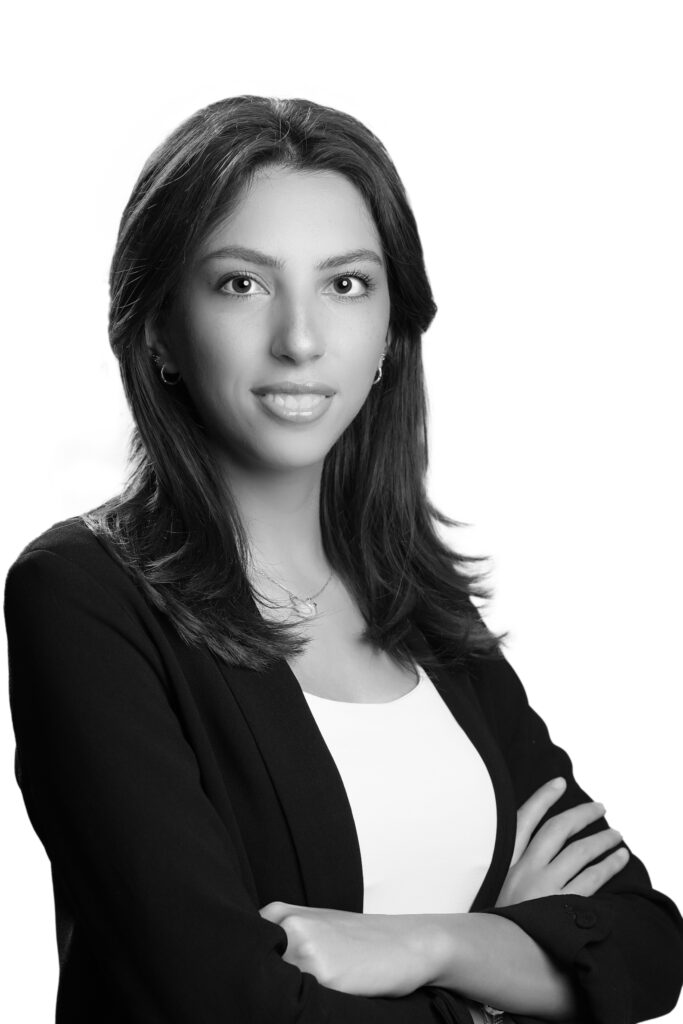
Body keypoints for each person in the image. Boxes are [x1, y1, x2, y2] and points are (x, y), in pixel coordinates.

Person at [4, 95, 682, 1024]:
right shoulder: (82, 598)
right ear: (158, 326)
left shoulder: (417, 606)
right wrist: (501, 982)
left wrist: (434, 943)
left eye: (347, 284)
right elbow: (228, 1004)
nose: (300, 340)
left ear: (390, 335)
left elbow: (642, 946)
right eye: (242, 283)